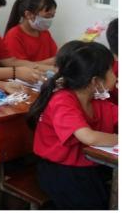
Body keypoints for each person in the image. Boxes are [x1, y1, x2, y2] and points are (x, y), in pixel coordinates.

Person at [27, 41, 117, 210]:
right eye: (111, 70)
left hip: (88, 168)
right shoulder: (62, 101)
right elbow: (88, 136)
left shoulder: (98, 100)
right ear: (95, 81)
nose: (115, 75)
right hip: (60, 171)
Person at [3, 0, 58, 65]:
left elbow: (56, 56)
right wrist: (49, 63)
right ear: (28, 14)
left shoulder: (45, 33)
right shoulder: (14, 35)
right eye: (47, 16)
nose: (49, 19)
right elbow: (20, 68)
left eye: (52, 16)